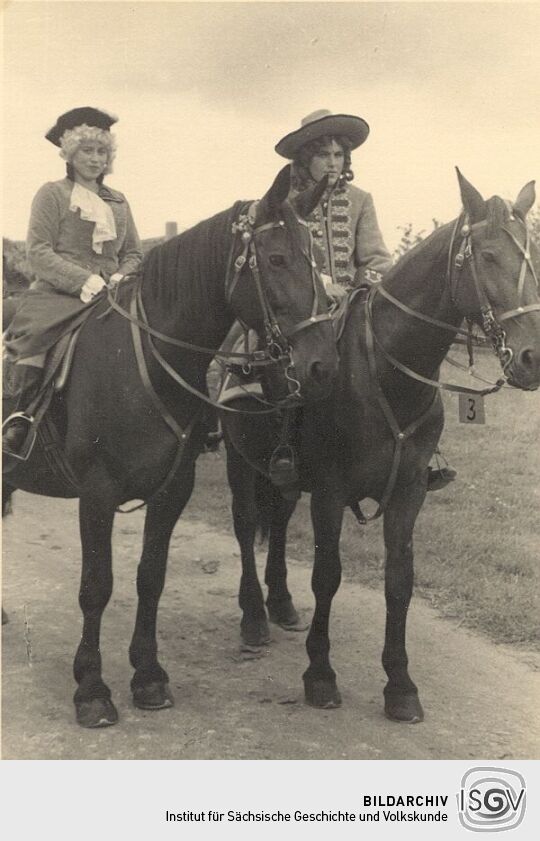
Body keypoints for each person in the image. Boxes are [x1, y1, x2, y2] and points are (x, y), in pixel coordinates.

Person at [269, 109, 455, 492]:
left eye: (339, 155)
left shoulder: (360, 200)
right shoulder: (284, 201)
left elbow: (376, 259)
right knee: (282, 363)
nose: (333, 163)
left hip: (352, 303)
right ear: (305, 158)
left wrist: (359, 287)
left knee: (404, 353)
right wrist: (319, 285)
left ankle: (425, 451)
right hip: (299, 305)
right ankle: (284, 444)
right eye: (324, 155)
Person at [3, 107, 143, 456]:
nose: (95, 159)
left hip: (113, 294)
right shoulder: (51, 194)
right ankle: (17, 418)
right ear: (69, 153)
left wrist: (121, 276)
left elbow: (134, 253)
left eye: (102, 152)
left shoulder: (119, 201)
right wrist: (84, 280)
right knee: (33, 341)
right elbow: (39, 252)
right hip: (58, 294)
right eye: (87, 151)